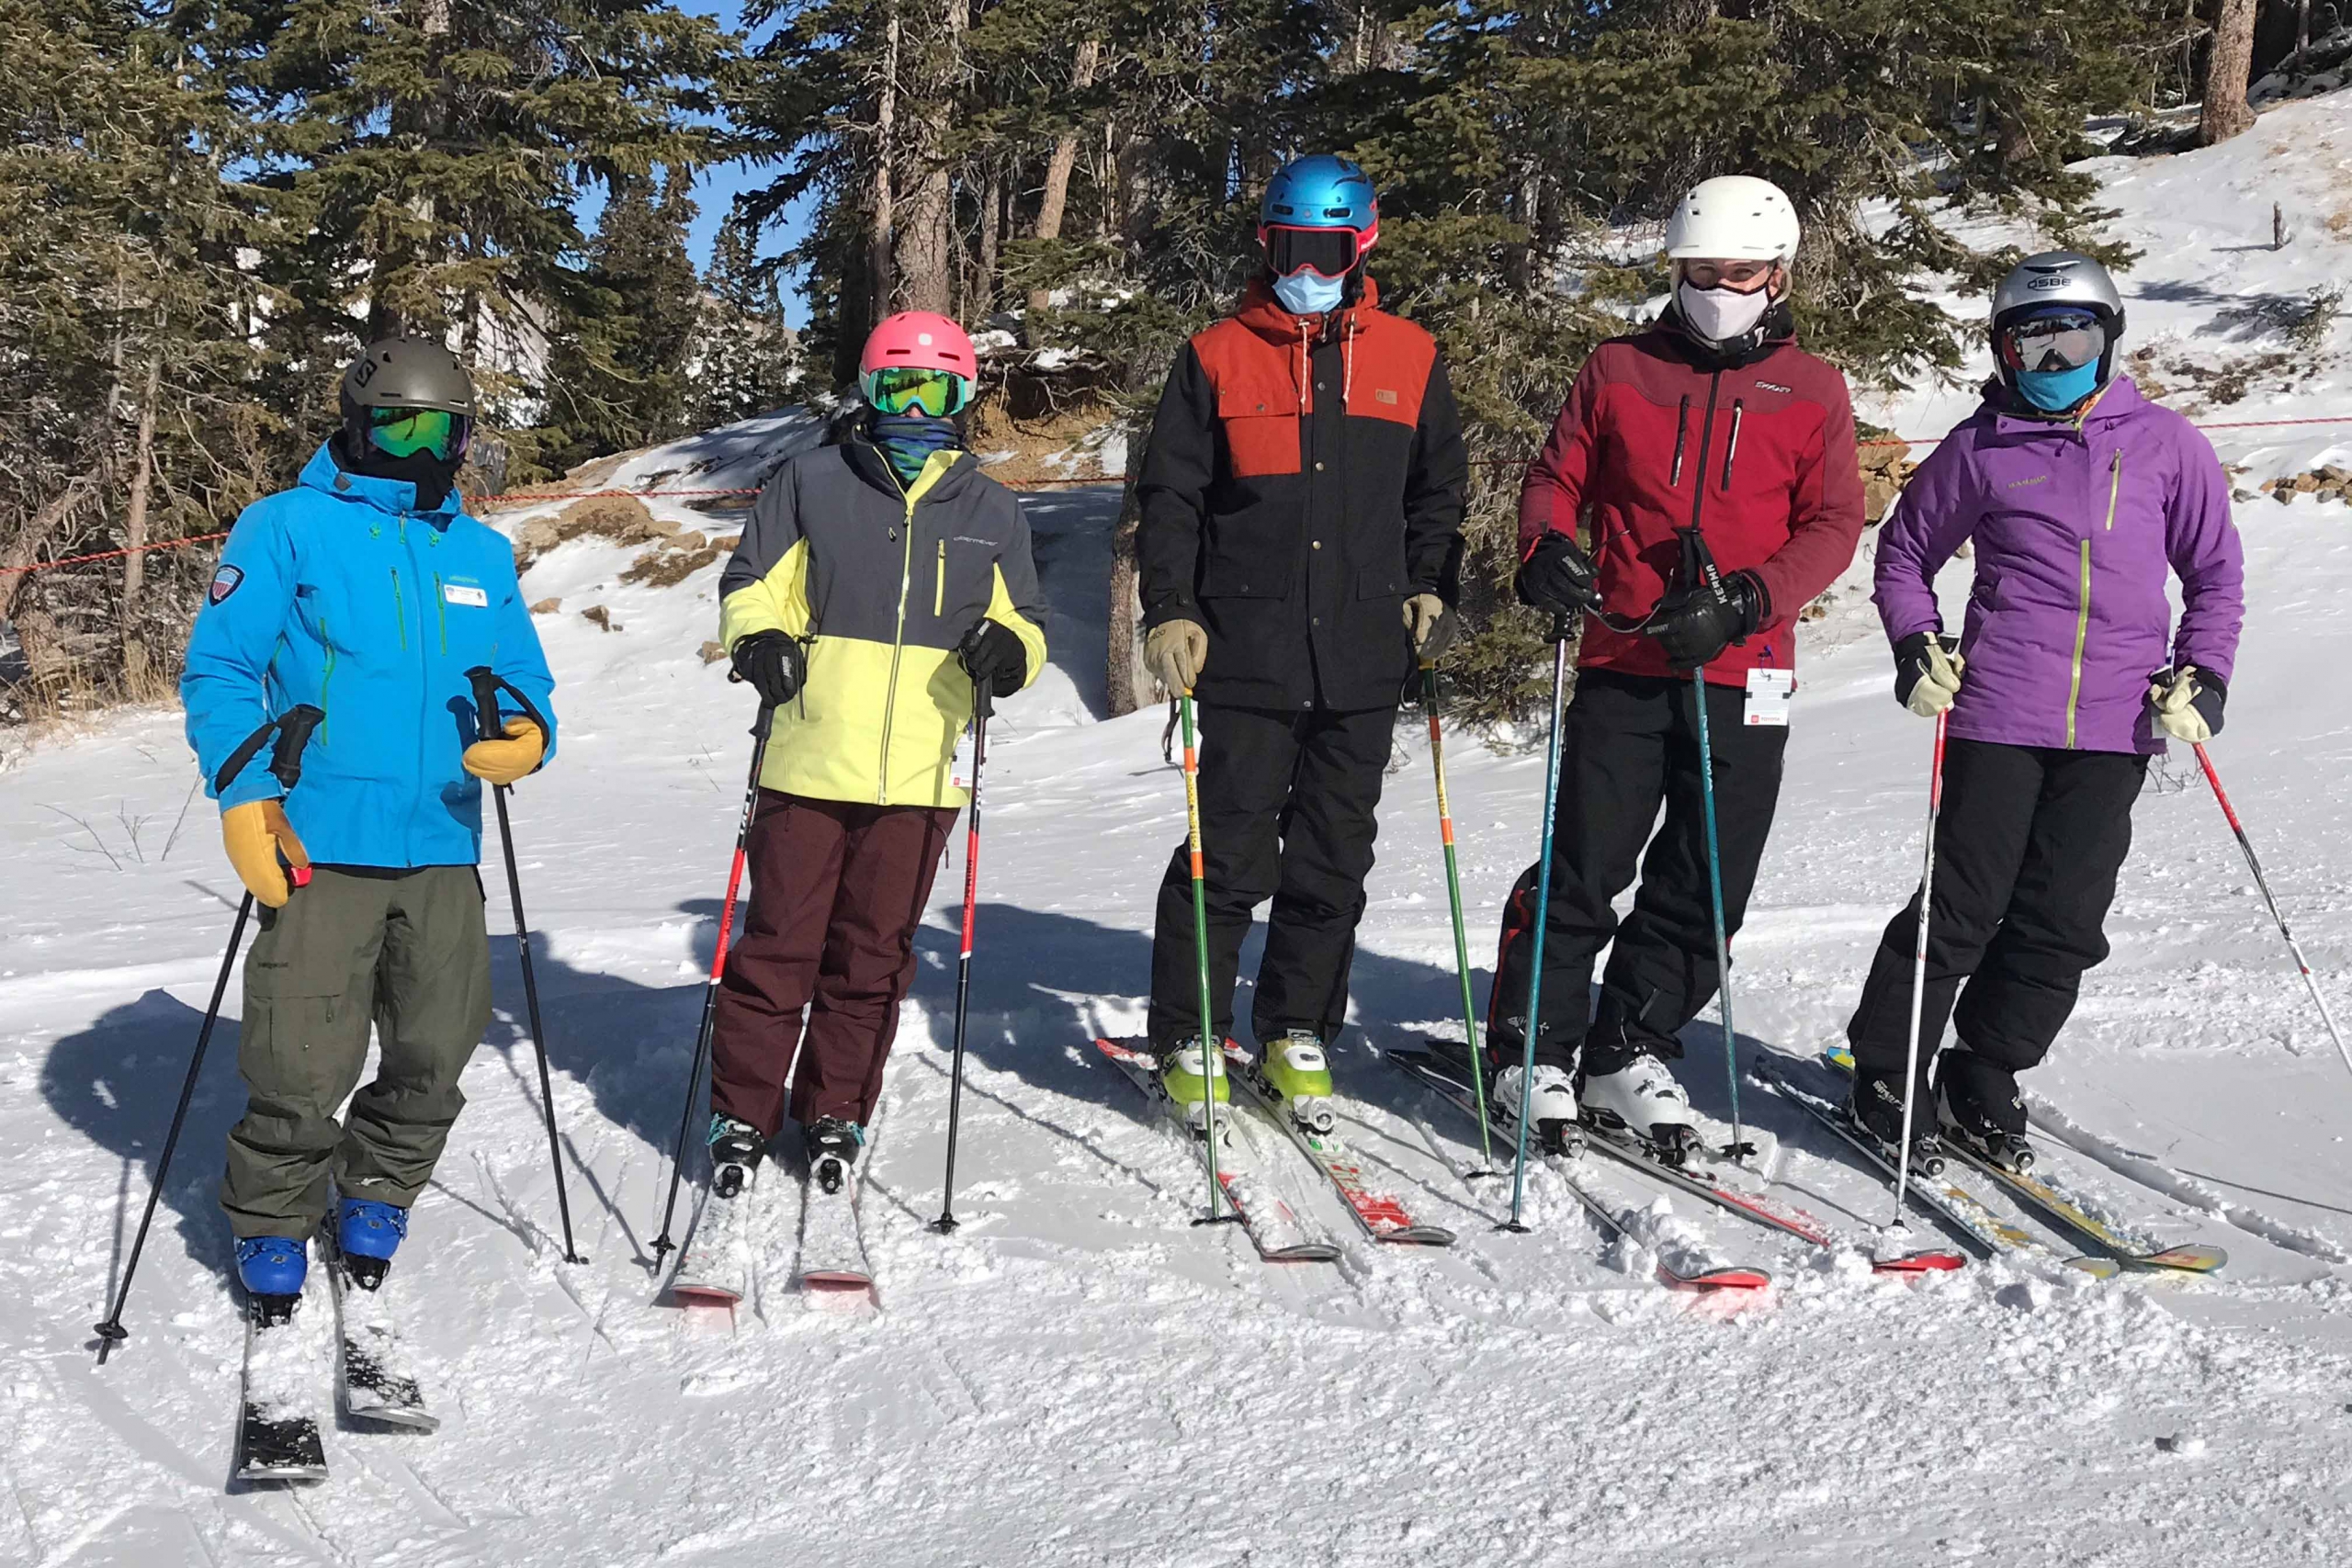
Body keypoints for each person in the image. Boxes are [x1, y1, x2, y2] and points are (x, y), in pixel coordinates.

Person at [1846, 251, 2245, 1164]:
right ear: (2003, 350)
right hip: (1996, 713)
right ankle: (1884, 1068)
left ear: (2108, 340)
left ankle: (1983, 1067)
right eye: (2030, 340)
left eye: (2072, 334)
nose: (2052, 356)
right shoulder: (1978, 447)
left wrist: (2203, 672)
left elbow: (2215, 576)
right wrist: (1918, 644)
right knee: (1960, 905)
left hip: (2116, 724)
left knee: (2062, 917)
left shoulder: (2165, 446)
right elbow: (1903, 557)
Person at [181, 337, 557, 1302]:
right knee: (302, 1056)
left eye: (444, 427)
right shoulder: (285, 528)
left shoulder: (478, 550)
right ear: (357, 423)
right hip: (321, 829)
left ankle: (379, 1187)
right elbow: (221, 667)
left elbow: (519, 671)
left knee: (439, 1044)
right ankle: (271, 1215)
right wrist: (246, 793)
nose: (421, 444)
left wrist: (528, 728)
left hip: (441, 834)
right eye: (400, 422)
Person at [1501, 175, 1866, 1154]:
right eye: (1698, 270)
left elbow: (1835, 523)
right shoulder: (1619, 367)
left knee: (1707, 882)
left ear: (1777, 275)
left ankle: (1629, 1048)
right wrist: (1543, 547)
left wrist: (1751, 597)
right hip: (1626, 653)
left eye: (1737, 271)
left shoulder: (1814, 387)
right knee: (1587, 863)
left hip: (1746, 669)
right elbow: (1555, 477)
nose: (1716, 286)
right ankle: (1533, 1044)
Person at [1134, 153, 1468, 1131]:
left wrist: (1429, 588)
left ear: (1360, 246)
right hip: (1246, 649)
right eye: (1289, 248)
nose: (1307, 268)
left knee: (1331, 858)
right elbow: (1170, 498)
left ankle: (1296, 1026)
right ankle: (1190, 1030)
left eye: (1326, 250)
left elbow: (1437, 496)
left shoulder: (1412, 355)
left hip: (1363, 656)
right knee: (1226, 854)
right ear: (1266, 246)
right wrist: (1170, 607)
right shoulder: (1214, 355)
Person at [707, 310, 1046, 1197]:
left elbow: (1026, 619)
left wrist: (1012, 653)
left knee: (873, 955)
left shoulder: (992, 507)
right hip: (808, 758)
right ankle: (743, 1106)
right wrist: (759, 642)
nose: (913, 403)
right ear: (868, 388)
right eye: (896, 383)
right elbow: (750, 584)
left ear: (963, 395)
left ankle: (837, 1104)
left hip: (923, 770)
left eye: (934, 386)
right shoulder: (811, 480)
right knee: (779, 943)